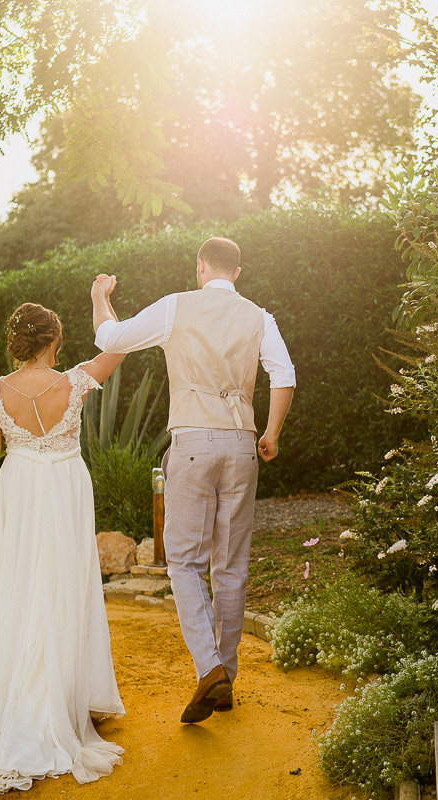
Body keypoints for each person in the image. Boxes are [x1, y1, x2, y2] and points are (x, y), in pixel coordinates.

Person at [90, 236, 295, 724]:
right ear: (237, 273)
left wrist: (101, 297)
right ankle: (226, 672)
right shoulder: (259, 316)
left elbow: (109, 342)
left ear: (201, 266)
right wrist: (271, 434)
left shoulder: (175, 307)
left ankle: (210, 670)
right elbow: (284, 376)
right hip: (242, 445)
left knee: (183, 561)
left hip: (192, 445)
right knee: (231, 566)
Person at [0, 302, 127, 793]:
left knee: (21, 584)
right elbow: (115, 344)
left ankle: (25, 694)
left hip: (21, 488)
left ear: (17, 343)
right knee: (64, 583)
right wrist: (102, 300)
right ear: (54, 341)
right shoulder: (75, 381)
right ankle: (67, 693)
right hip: (66, 488)